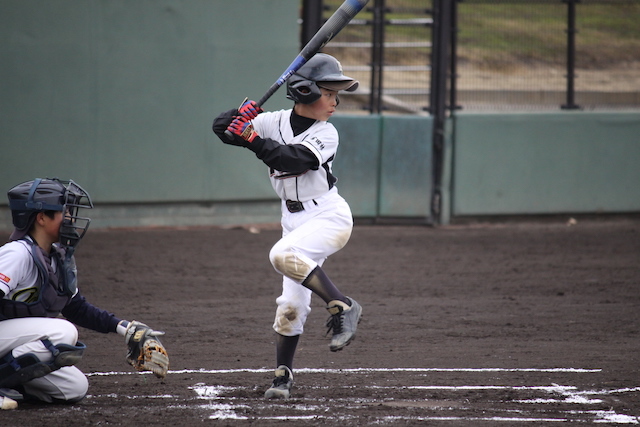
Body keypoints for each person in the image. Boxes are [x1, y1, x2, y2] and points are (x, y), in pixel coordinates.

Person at [212, 53, 363, 399]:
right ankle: (282, 377)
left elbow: (292, 160)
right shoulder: (272, 122)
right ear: (306, 92)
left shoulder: (327, 133)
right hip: (292, 219)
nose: (335, 102)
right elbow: (222, 130)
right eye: (329, 93)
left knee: (282, 253)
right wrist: (240, 116)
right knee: (290, 307)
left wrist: (251, 138)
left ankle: (342, 304)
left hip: (327, 216)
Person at [0, 178, 169, 410]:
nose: (70, 218)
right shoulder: (17, 254)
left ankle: (12, 386)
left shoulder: (54, 257)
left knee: (74, 387)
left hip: (9, 342)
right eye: (64, 212)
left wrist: (126, 329)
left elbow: (75, 307)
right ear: (41, 218)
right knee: (63, 331)